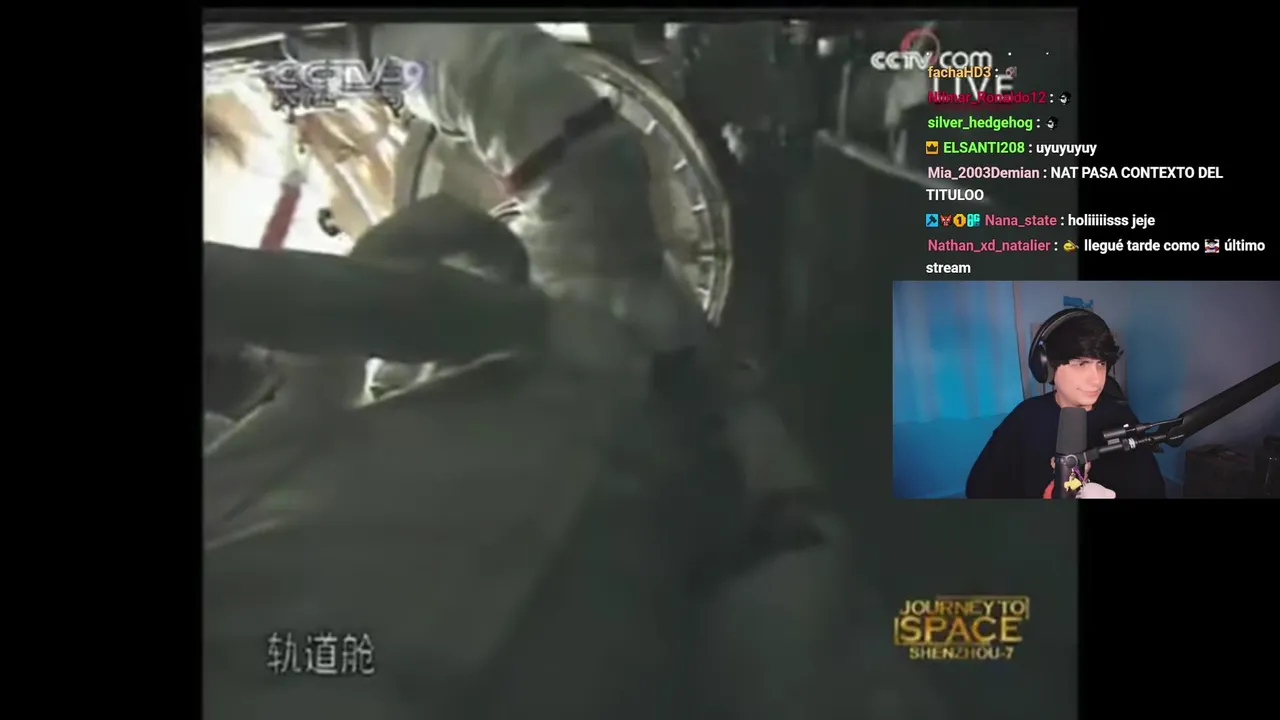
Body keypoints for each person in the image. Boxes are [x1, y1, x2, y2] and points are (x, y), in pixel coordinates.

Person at [965, 309, 1166, 499]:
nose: (1097, 380)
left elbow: (1152, 489)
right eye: (1081, 364)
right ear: (1048, 366)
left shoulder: (1120, 416)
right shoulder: (1026, 416)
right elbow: (980, 487)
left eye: (1101, 364)